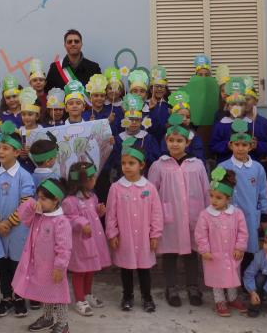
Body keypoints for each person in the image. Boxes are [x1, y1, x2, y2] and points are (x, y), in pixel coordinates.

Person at [148, 114, 209, 307]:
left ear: (187, 142)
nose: (175, 144)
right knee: (170, 253)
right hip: (169, 218)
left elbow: (207, 192)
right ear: (166, 141)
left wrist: (208, 216)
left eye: (179, 141)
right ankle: (171, 287)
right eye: (171, 140)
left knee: (192, 252)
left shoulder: (197, 165)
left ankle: (193, 287)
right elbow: (151, 193)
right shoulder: (159, 166)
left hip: (194, 216)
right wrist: (152, 219)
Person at [105, 138, 163, 312]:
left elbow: (157, 213)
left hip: (144, 237)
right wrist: (112, 233)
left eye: (131, 163)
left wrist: (155, 234)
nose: (127, 166)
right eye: (124, 163)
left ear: (142, 165)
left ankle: (147, 297)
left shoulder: (150, 188)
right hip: (125, 237)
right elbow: (111, 213)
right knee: (126, 269)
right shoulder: (116, 188)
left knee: (144, 269)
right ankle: (127, 296)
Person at [13, 178, 72, 333]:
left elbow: (64, 248)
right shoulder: (39, 216)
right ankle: (48, 318)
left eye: (44, 199)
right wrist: (31, 204)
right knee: (45, 293)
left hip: (54, 268)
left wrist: (60, 267)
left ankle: (63, 322)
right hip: (39, 265)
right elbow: (23, 217)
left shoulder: (61, 222)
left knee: (58, 296)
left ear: (56, 200)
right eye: (38, 197)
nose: (40, 202)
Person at [0, 122, 35, 317]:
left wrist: (8, 222)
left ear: (17, 152)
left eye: (6, 148)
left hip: (17, 230)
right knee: (2, 266)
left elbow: (26, 203)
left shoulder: (25, 176)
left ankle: (19, 297)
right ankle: (6, 297)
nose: (0, 151)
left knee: (17, 265)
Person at [194, 168, 249, 317]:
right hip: (214, 254)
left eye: (218, 197)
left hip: (232, 252)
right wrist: (204, 250)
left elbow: (243, 232)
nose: (213, 200)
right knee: (217, 278)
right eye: (211, 196)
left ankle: (232, 298)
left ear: (228, 198)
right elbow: (200, 234)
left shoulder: (237, 213)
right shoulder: (205, 215)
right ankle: (220, 300)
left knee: (231, 275)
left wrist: (240, 247)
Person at [218, 119, 267, 274]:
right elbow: (216, 193)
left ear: (251, 146)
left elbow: (262, 193)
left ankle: (246, 281)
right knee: (230, 248)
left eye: (244, 145)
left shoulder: (257, 168)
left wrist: (264, 217)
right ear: (230, 145)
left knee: (248, 249)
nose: (240, 148)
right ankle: (229, 280)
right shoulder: (223, 167)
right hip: (227, 217)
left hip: (250, 218)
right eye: (237, 144)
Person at [61, 162, 110, 317]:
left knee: (90, 269)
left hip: (93, 240)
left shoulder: (92, 196)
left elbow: (92, 214)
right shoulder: (69, 201)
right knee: (80, 271)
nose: (95, 179)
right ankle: (79, 299)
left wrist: (99, 212)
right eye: (93, 176)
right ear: (84, 180)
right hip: (80, 243)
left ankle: (88, 294)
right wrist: (81, 223)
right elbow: (68, 219)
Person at [18, 87, 44, 173]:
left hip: (40, 169)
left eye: (30, 114)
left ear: (37, 116)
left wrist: (33, 150)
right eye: (23, 114)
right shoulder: (19, 132)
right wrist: (21, 154)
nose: (26, 117)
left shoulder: (42, 130)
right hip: (24, 169)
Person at [146, 65, 171, 143]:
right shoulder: (144, 105)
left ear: (166, 90)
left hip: (165, 140)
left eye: (162, 87)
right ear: (151, 89)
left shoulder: (169, 106)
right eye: (156, 86)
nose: (159, 89)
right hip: (149, 140)